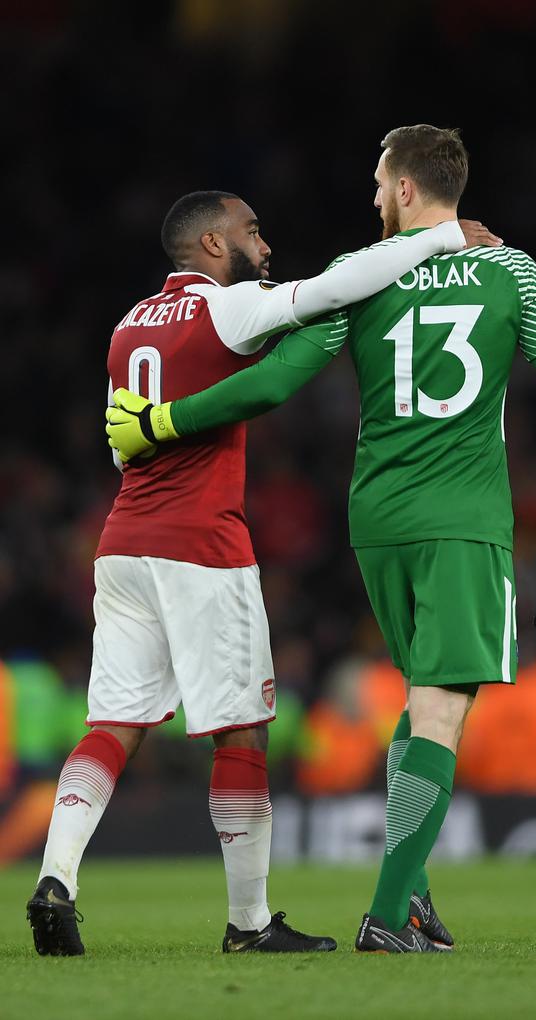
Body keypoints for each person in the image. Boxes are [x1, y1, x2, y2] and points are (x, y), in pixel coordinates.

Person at [107, 123, 536, 954]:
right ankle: (388, 914)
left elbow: (274, 382)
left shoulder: (359, 279)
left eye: (381, 183)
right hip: (462, 519)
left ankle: (414, 902)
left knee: (422, 700)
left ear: (410, 189)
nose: (373, 197)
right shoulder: (510, 270)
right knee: (442, 709)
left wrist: (162, 420)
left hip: (376, 522)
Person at [27, 188, 499, 958]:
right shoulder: (227, 307)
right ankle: (249, 924)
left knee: (114, 723)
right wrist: (441, 237)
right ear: (212, 245)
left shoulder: (126, 326)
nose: (265, 244)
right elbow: (333, 289)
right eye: (251, 230)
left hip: (121, 543)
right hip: (202, 546)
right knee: (241, 731)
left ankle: (57, 879)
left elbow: (123, 445)